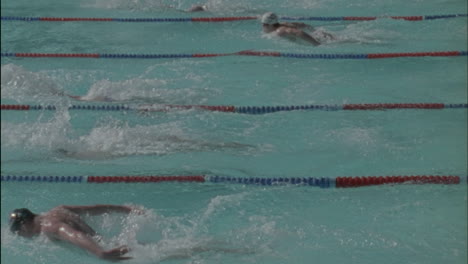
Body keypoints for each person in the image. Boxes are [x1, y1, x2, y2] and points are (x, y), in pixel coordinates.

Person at [8, 205, 143, 261]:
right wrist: (126, 209)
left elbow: (75, 235)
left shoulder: (49, 227)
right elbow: (96, 208)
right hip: (107, 244)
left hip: (105, 251)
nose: (19, 235)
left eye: (17, 231)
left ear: (25, 224)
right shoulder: (58, 210)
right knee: (138, 248)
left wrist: (101, 253)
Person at [261, 12, 335, 45]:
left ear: (269, 24)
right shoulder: (283, 23)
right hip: (317, 35)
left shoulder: (280, 31)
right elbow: (302, 25)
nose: (263, 27)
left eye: (263, 25)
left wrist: (317, 44)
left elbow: (298, 32)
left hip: (316, 39)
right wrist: (314, 31)